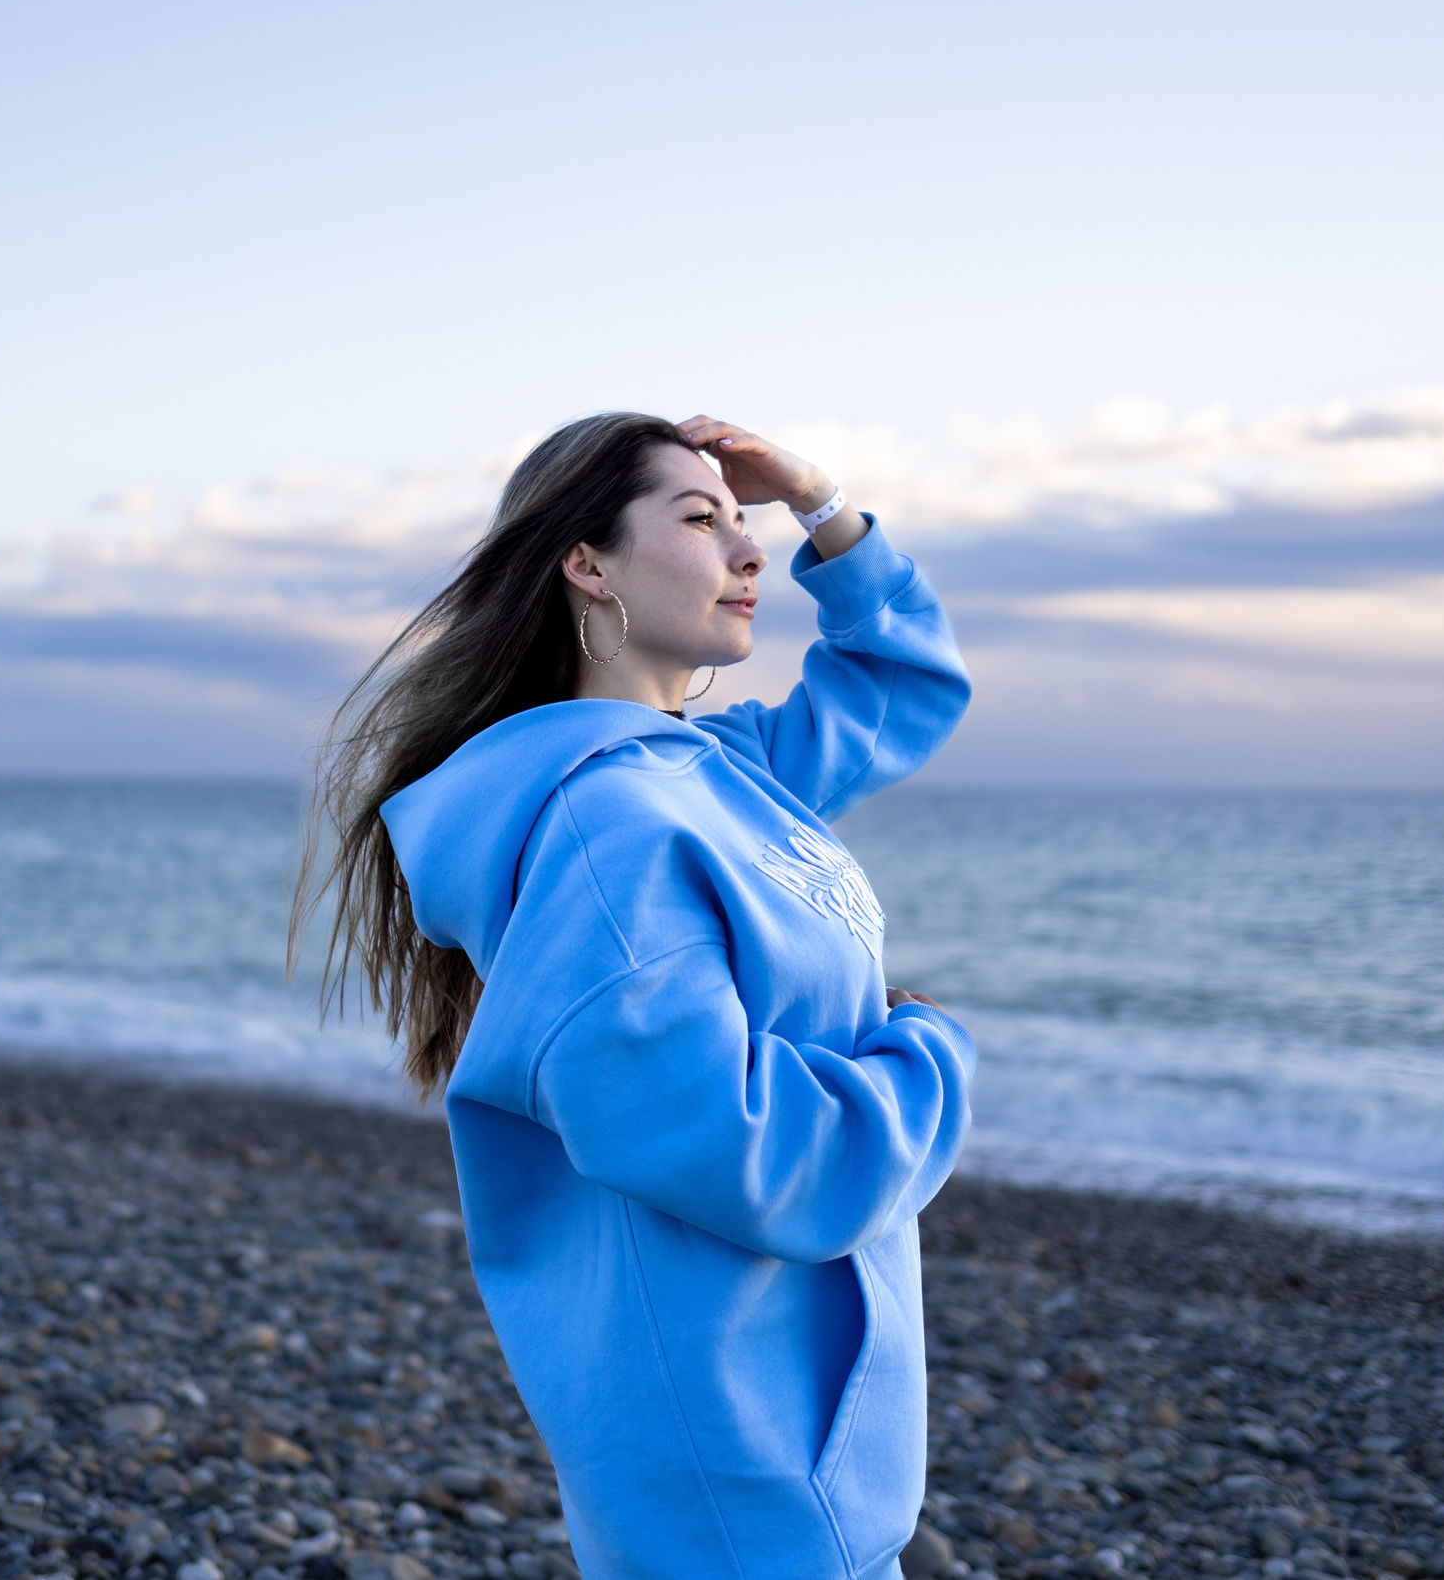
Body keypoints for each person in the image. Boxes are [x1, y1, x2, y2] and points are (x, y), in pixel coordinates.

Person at [298, 411, 977, 1579]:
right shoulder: (604, 821)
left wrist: (821, 502)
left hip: (805, 1413)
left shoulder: (715, 773)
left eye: (745, 525)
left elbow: (901, 686)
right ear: (588, 562)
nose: (748, 553)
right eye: (700, 519)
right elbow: (737, 1143)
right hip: (736, 1445)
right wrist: (929, 1052)